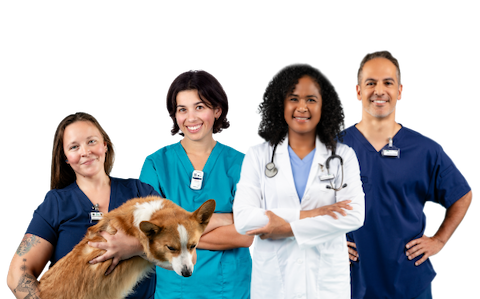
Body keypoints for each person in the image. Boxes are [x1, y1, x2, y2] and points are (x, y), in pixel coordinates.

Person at [344, 50, 473, 299]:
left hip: (408, 282)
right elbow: (305, 203)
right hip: (348, 281)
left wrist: (439, 240)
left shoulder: (424, 150)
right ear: (358, 91)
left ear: (400, 91)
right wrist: (325, 244)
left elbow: (462, 194)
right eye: (370, 83)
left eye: (388, 83)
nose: (379, 90)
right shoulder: (333, 149)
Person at [233, 62, 365, 299]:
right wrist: (314, 214)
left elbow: (354, 214)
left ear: (324, 106)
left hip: (325, 283)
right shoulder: (258, 155)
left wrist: (285, 228)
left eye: (311, 100)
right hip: (274, 283)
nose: (302, 107)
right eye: (293, 98)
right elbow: (244, 219)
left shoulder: (343, 157)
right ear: (280, 104)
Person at [5, 111, 158, 299]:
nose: (85, 152)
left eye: (91, 141)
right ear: (66, 157)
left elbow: (186, 252)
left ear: (105, 145)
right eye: (74, 147)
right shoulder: (56, 203)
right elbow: (16, 275)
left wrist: (135, 247)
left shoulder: (140, 192)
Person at [138, 69, 254, 299]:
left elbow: (247, 235)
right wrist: (224, 219)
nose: (190, 118)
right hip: (173, 290)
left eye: (199, 107)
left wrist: (177, 238)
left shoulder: (241, 163)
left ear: (217, 110)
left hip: (229, 289)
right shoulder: (155, 164)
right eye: (182, 109)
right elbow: (150, 236)